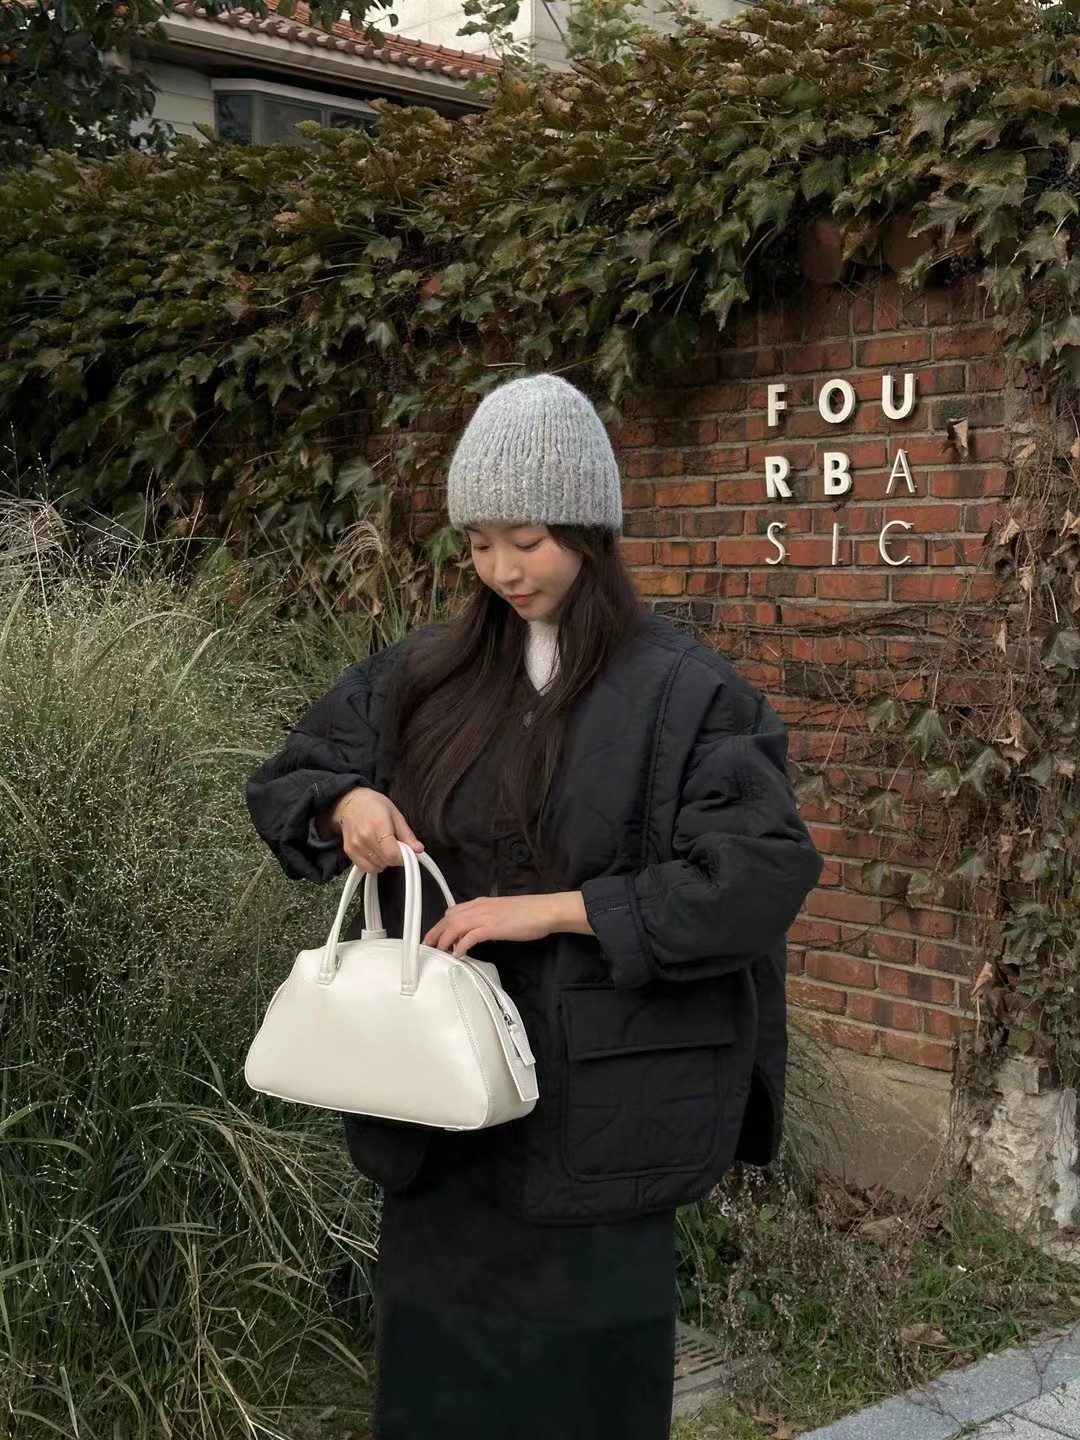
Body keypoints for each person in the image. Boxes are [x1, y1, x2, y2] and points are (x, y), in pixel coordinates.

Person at [245, 372, 823, 1440]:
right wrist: (348, 802)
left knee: (583, 1405)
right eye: (479, 544)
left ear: (590, 532)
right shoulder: (424, 676)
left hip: (604, 1119)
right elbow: (291, 780)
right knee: (437, 1399)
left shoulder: (688, 695)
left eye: (529, 540)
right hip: (440, 1114)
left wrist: (558, 910)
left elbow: (757, 874)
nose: (503, 571)